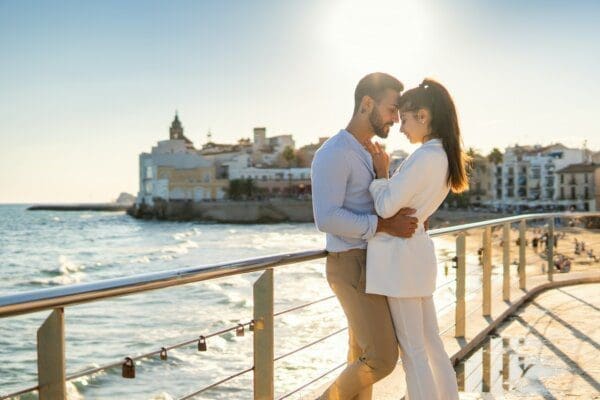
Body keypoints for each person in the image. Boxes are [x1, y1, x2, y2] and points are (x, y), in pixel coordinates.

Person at [311, 72, 419, 399]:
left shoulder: (368, 152)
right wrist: (385, 226)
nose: (396, 119)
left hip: (370, 264)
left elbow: (375, 202)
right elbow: (326, 218)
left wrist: (385, 177)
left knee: (360, 356)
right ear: (366, 104)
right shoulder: (334, 153)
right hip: (351, 264)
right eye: (391, 109)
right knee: (382, 359)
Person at [364, 78, 469, 400]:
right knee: (430, 343)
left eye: (406, 119)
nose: (401, 127)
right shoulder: (442, 155)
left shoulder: (425, 156)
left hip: (401, 262)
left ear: (423, 116)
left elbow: (384, 206)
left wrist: (381, 174)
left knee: (413, 352)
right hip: (416, 258)